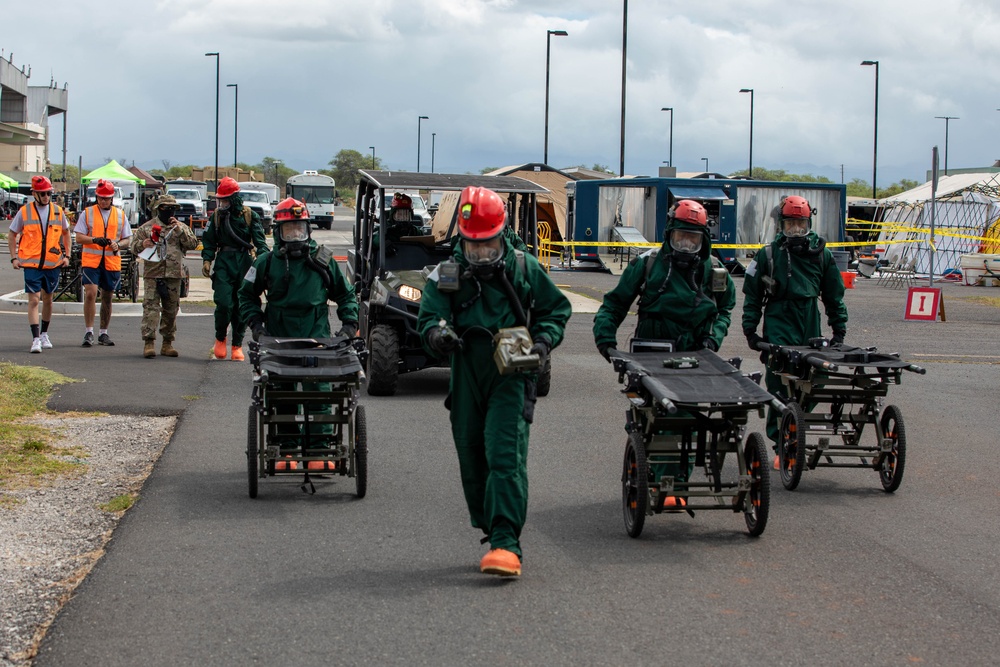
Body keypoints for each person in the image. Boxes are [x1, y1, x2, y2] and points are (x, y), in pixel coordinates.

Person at [417, 186, 571, 577]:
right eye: (473, 248)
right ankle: (490, 525)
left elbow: (556, 309)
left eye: (487, 247)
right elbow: (430, 313)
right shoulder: (448, 271)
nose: (481, 256)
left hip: (513, 366)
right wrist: (437, 333)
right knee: (471, 454)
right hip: (467, 366)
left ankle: (506, 542)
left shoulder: (523, 267)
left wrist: (543, 341)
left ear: (500, 235)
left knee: (504, 454)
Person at [592, 199, 736, 507]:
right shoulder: (647, 264)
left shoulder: (714, 271)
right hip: (651, 349)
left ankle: (674, 485)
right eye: (680, 238)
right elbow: (615, 303)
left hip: (695, 351)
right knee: (656, 414)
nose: (685, 246)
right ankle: (662, 479)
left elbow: (725, 310)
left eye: (693, 240)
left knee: (684, 415)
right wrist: (606, 340)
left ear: (704, 240)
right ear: (669, 234)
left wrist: (713, 338)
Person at [239, 198, 358, 469]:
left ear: (308, 229)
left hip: (317, 338)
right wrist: (256, 325)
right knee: (283, 395)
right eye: (288, 230)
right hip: (278, 340)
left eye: (299, 230)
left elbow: (346, 294)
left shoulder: (323, 261)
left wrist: (349, 325)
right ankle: (287, 451)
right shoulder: (266, 263)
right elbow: (245, 295)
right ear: (278, 232)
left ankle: (318, 452)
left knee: (320, 394)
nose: (295, 236)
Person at [742, 195, 848, 465]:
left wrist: (838, 331)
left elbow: (834, 296)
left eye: (801, 225)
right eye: (790, 225)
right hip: (779, 318)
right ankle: (781, 445)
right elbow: (752, 296)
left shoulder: (821, 255)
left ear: (808, 223)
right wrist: (750, 330)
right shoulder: (768, 254)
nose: (796, 231)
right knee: (779, 379)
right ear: (781, 225)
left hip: (809, 319)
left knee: (817, 374)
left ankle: (796, 424)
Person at [201, 176, 268, 361]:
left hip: (244, 262)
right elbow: (208, 240)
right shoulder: (216, 217)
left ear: (234, 198)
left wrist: (263, 263)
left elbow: (260, 243)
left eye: (225, 199)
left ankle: (236, 344)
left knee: (241, 306)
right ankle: (220, 338)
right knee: (224, 302)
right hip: (224, 262)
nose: (222, 203)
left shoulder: (249, 216)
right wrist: (207, 259)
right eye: (220, 199)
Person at [6, 175, 71, 353]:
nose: (45, 197)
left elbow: (66, 234)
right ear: (34, 194)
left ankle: (44, 333)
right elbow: (12, 234)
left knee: (48, 299)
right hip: (31, 264)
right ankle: (35, 338)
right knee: (34, 299)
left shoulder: (58, 211)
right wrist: (14, 257)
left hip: (52, 263)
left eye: (48, 193)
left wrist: (67, 255)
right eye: (42, 194)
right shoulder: (24, 212)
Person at [130, 194, 200, 359]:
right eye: (165, 208)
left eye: (172, 208)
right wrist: (143, 244)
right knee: (151, 308)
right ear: (157, 209)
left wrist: (180, 230)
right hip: (153, 274)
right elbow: (133, 247)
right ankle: (149, 342)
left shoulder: (180, 227)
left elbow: (192, 244)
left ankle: (167, 343)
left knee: (171, 309)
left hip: (173, 274)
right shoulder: (146, 228)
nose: (169, 211)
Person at [74, 178, 132, 347]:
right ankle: (89, 331)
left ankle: (103, 333)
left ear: (112, 198)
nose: (103, 201)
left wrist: (118, 244)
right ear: (96, 197)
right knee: (91, 293)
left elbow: (127, 239)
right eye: (100, 198)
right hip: (91, 260)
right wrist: (94, 239)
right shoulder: (87, 213)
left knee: (107, 296)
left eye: (106, 198)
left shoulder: (120, 215)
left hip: (111, 261)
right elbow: (78, 237)